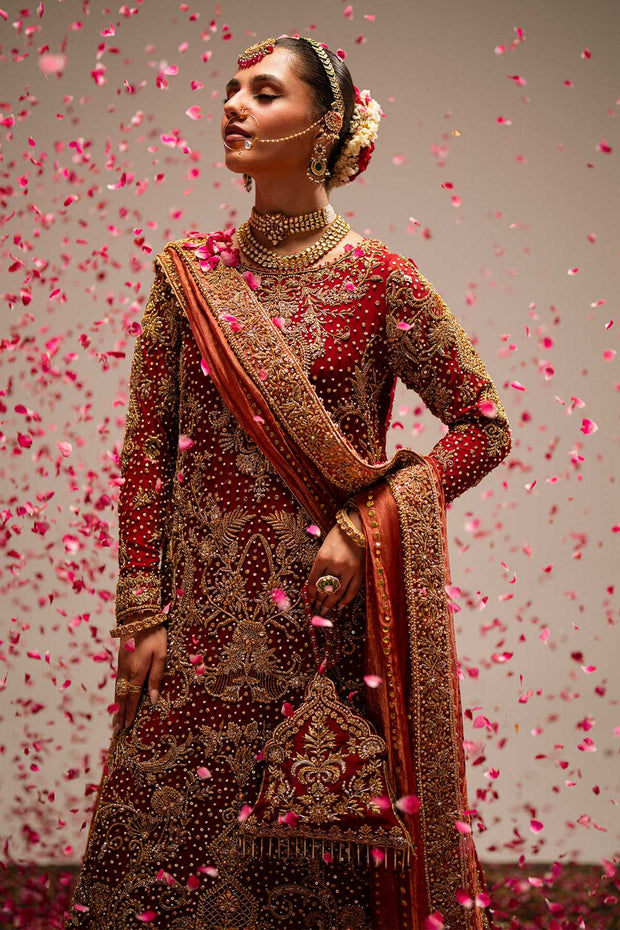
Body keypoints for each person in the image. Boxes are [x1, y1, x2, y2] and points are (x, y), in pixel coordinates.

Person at [65, 35, 511, 930]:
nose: (233, 104)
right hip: (198, 625)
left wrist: (368, 523)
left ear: (323, 126)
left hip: (326, 624)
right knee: (161, 864)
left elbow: (483, 426)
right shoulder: (187, 277)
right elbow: (147, 447)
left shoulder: (382, 282)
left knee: (318, 866)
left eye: (263, 93)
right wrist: (140, 610)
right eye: (231, 89)